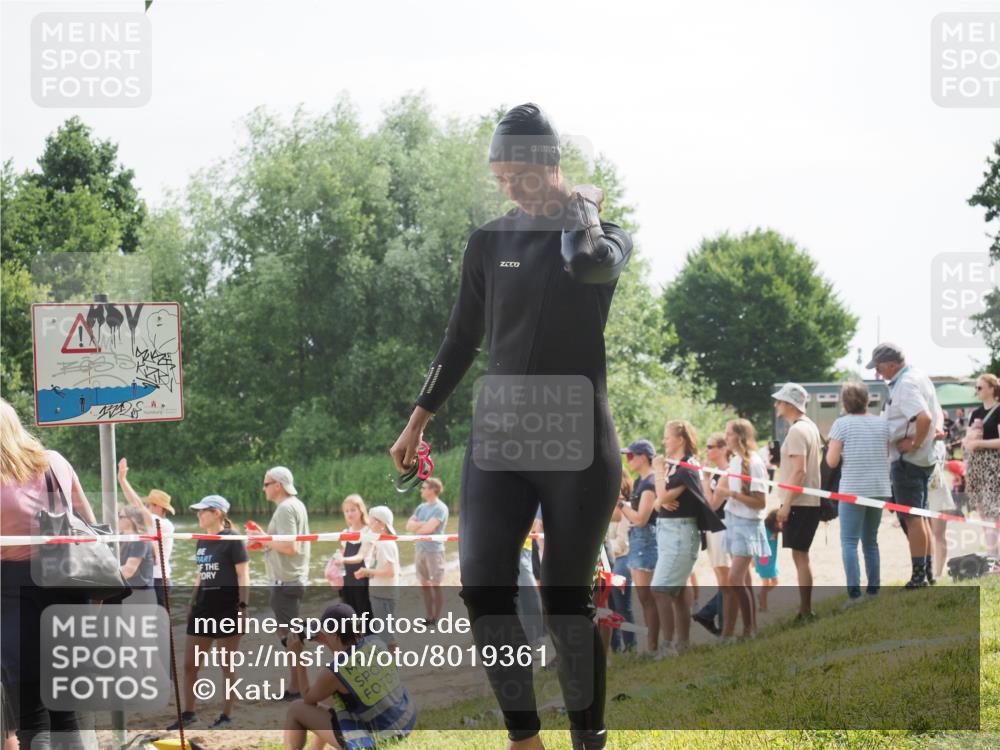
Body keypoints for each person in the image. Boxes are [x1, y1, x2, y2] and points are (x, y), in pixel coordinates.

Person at [389, 103, 632, 750]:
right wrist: (418, 420)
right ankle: (524, 738)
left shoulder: (603, 237)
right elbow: (461, 338)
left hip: (576, 436)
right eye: (498, 177)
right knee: (484, 586)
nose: (508, 189)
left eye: (519, 175)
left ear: (551, 166)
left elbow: (586, 265)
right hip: (500, 435)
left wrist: (583, 209)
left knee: (563, 603)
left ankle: (588, 738)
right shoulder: (487, 244)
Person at [1, 398, 96, 749]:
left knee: (30, 714)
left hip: (12, 589)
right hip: (68, 581)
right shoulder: (54, 462)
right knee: (66, 710)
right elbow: (86, 520)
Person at [282, 602, 415, 750]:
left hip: (380, 738)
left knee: (296, 708)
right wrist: (326, 639)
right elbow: (348, 658)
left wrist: (298, 657)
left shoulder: (335, 672)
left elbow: (307, 697)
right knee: (329, 696)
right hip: (403, 721)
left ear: (334, 634)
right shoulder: (376, 642)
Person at [169, 495, 249, 730]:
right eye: (198, 511)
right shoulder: (201, 540)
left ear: (217, 513)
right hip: (203, 607)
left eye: (202, 511)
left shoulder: (233, 539)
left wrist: (243, 608)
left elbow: (243, 575)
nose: (198, 515)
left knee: (227, 665)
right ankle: (189, 713)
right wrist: (192, 602)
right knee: (190, 665)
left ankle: (226, 715)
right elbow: (200, 574)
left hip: (227, 607)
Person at [868, 343, 943, 588]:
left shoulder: (906, 384)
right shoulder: (919, 376)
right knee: (920, 517)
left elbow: (924, 417)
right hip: (922, 459)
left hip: (908, 461)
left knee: (912, 518)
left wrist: (915, 443)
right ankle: (928, 573)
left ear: (891, 364)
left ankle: (919, 576)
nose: (878, 373)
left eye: (879, 367)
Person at [650, 420, 723, 656]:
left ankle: (668, 645)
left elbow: (660, 496)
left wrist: (658, 472)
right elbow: (656, 502)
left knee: (660, 589)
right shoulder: (677, 467)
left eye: (667, 437)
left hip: (680, 533)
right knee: (679, 590)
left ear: (680, 439)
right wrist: (661, 498)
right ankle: (682, 644)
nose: (664, 441)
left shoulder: (686, 467)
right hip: (669, 532)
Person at [251, 466, 311, 699]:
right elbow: (285, 543)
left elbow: (289, 547)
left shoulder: (286, 508)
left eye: (266, 484)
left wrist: (263, 539)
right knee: (290, 635)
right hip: (291, 578)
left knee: (290, 637)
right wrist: (263, 538)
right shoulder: (294, 506)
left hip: (286, 580)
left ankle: (298, 687)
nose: (263, 488)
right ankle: (296, 685)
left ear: (278, 485)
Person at [826, 381, 889, 602]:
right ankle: (874, 590)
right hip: (879, 487)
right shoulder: (882, 424)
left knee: (849, 542)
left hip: (853, 489)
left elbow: (832, 461)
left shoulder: (841, 424)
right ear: (867, 399)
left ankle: (854, 593)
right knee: (871, 541)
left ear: (844, 401)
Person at [713, 419, 769, 641]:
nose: (725, 438)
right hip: (733, 521)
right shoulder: (735, 462)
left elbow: (760, 502)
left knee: (735, 579)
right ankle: (746, 628)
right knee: (739, 580)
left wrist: (732, 494)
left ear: (740, 436)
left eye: (729, 434)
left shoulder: (754, 463)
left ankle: (748, 630)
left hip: (748, 525)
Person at [772, 382, 823, 619]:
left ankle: (805, 610)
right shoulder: (810, 427)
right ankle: (805, 608)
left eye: (780, 401)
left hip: (800, 503)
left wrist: (786, 504)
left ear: (790, 404)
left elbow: (799, 471)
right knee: (801, 555)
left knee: (800, 556)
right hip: (809, 502)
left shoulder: (796, 431)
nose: (776, 405)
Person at [616, 440, 660, 655]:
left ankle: (653, 645)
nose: (628, 460)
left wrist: (620, 504)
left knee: (647, 597)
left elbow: (641, 519)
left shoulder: (650, 482)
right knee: (644, 598)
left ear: (643, 456)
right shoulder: (640, 480)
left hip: (645, 540)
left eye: (632, 456)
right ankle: (652, 644)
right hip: (637, 540)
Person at [118, 457, 175, 607]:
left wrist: (123, 480)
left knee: (160, 624)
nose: (147, 507)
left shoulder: (163, 524)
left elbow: (137, 505)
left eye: (150, 504)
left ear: (158, 507)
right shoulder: (152, 524)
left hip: (159, 579)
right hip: (150, 578)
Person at [693, 432, 732, 636]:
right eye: (706, 446)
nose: (707, 450)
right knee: (722, 578)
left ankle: (720, 621)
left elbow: (711, 503)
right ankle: (712, 616)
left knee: (726, 579)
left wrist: (706, 479)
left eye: (711, 446)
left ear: (723, 448)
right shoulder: (715, 471)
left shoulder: (725, 472)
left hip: (722, 525)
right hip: (713, 527)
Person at [354, 506, 400, 652]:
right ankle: (389, 664)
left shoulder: (386, 543)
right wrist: (367, 573)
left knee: (387, 635)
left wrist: (367, 571)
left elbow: (390, 571)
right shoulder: (379, 541)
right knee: (383, 632)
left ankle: (393, 667)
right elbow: (380, 567)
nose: (369, 524)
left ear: (382, 525)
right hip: (379, 593)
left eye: (372, 521)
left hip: (384, 595)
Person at [405, 477, 449, 625]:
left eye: (424, 487)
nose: (421, 490)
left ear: (433, 490)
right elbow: (408, 526)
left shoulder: (441, 508)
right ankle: (428, 617)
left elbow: (429, 529)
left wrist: (419, 526)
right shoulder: (421, 507)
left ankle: (436, 618)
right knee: (424, 584)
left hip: (434, 551)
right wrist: (421, 526)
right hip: (420, 550)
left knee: (436, 585)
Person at [965, 373, 1000, 556]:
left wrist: (980, 444)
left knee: (993, 509)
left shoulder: (998, 410)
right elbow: (968, 438)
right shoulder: (975, 413)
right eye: (976, 387)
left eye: (980, 387)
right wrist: (969, 440)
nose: (976, 391)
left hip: (994, 465)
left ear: (992, 389)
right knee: (981, 509)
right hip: (976, 465)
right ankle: (991, 552)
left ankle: (993, 556)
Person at [336, 495, 374, 627]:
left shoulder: (368, 531)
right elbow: (342, 553)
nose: (349, 513)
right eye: (346, 511)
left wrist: (343, 559)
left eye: (353, 510)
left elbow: (360, 556)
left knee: (365, 614)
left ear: (361, 511)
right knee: (349, 615)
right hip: (348, 580)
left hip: (363, 578)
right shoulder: (345, 532)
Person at [608, 474, 635, 653]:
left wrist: (607, 547)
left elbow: (622, 541)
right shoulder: (608, 510)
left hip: (622, 558)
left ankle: (631, 645)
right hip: (610, 559)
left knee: (621, 604)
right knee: (610, 605)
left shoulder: (626, 508)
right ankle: (615, 645)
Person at [114, 505, 156, 605]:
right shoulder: (122, 538)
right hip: (130, 592)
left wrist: (105, 579)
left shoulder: (140, 540)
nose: (117, 519)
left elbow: (129, 571)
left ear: (132, 520)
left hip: (142, 595)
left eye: (121, 517)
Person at [755, 510, 780, 611]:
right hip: (763, 559)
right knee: (765, 583)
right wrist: (754, 559)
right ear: (774, 522)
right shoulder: (765, 530)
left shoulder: (775, 531)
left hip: (771, 561)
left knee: (775, 581)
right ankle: (763, 606)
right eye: (779, 522)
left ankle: (761, 595)